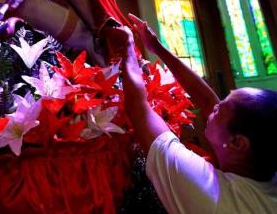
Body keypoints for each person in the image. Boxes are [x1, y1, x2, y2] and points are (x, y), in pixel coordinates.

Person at [107, 13, 277, 214]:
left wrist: (127, 48)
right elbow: (207, 100)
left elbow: (138, 108)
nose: (214, 105)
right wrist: (155, 47)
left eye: (220, 110)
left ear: (237, 143)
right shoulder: (264, 172)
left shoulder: (210, 194)